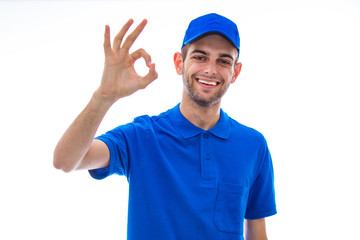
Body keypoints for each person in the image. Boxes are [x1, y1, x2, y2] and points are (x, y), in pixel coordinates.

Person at [53, 13, 277, 240]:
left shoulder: (253, 145)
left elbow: (258, 235)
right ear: (179, 63)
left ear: (235, 72)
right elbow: (66, 160)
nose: (210, 69)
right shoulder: (142, 136)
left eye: (223, 61)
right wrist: (104, 97)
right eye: (200, 57)